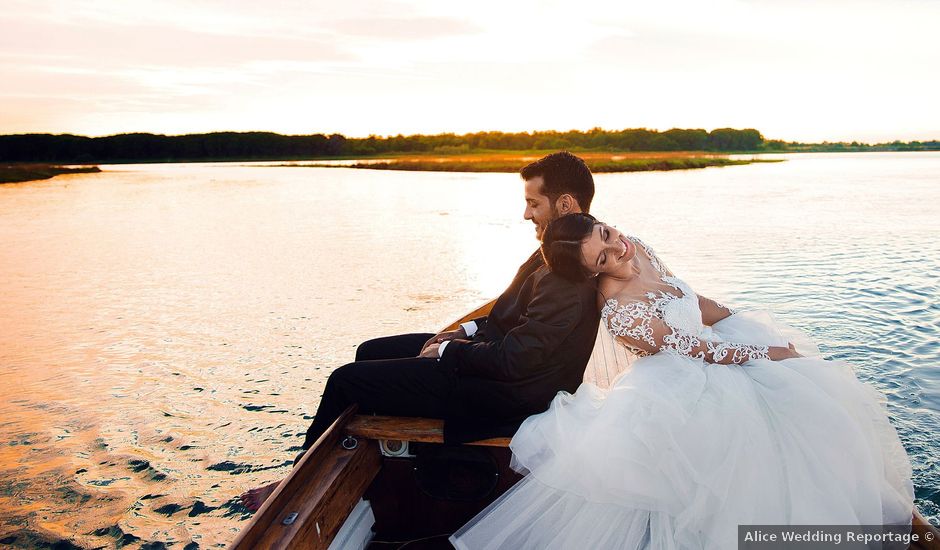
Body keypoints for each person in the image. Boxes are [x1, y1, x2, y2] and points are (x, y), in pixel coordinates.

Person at [450, 213, 915, 549]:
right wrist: (770, 352)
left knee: (815, 403)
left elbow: (688, 298)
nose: (618, 249)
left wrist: (740, 319)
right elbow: (702, 351)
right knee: (748, 434)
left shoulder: (638, 243)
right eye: (604, 257)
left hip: (715, 345)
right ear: (593, 273)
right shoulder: (620, 313)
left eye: (607, 235)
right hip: (684, 378)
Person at [241, 152, 601, 511]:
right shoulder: (565, 247)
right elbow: (514, 313)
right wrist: (463, 330)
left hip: (502, 393)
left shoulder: (567, 270)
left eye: (533, 203)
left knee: (344, 381)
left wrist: (447, 353)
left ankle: (293, 485)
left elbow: (516, 360)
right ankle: (369, 457)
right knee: (370, 351)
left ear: (566, 203)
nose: (526, 214)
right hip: (494, 357)